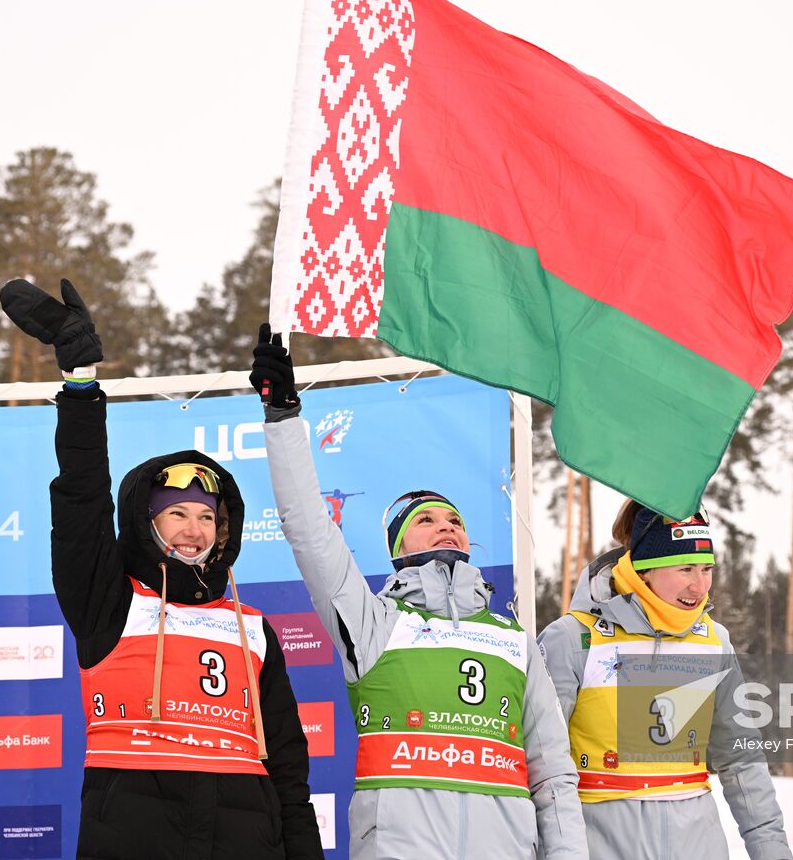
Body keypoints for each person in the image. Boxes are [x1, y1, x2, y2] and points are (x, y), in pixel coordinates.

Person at [0, 280, 320, 860]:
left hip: (245, 838)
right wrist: (80, 385)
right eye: (176, 513)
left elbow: (290, 772)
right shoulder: (110, 602)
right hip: (132, 835)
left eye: (206, 516)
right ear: (146, 523)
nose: (194, 529)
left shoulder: (252, 628)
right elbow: (80, 503)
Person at [248, 325, 588, 860]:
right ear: (396, 545)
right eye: (426, 519)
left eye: (454, 519)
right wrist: (284, 419)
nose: (446, 526)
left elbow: (551, 772)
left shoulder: (513, 639)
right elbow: (310, 532)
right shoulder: (375, 623)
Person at [536, 499, 793, 860]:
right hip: (602, 842)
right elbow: (542, 764)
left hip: (698, 843)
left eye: (707, 569)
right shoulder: (575, 638)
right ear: (643, 570)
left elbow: (740, 758)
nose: (699, 586)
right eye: (685, 568)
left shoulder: (713, 640)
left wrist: (772, 851)